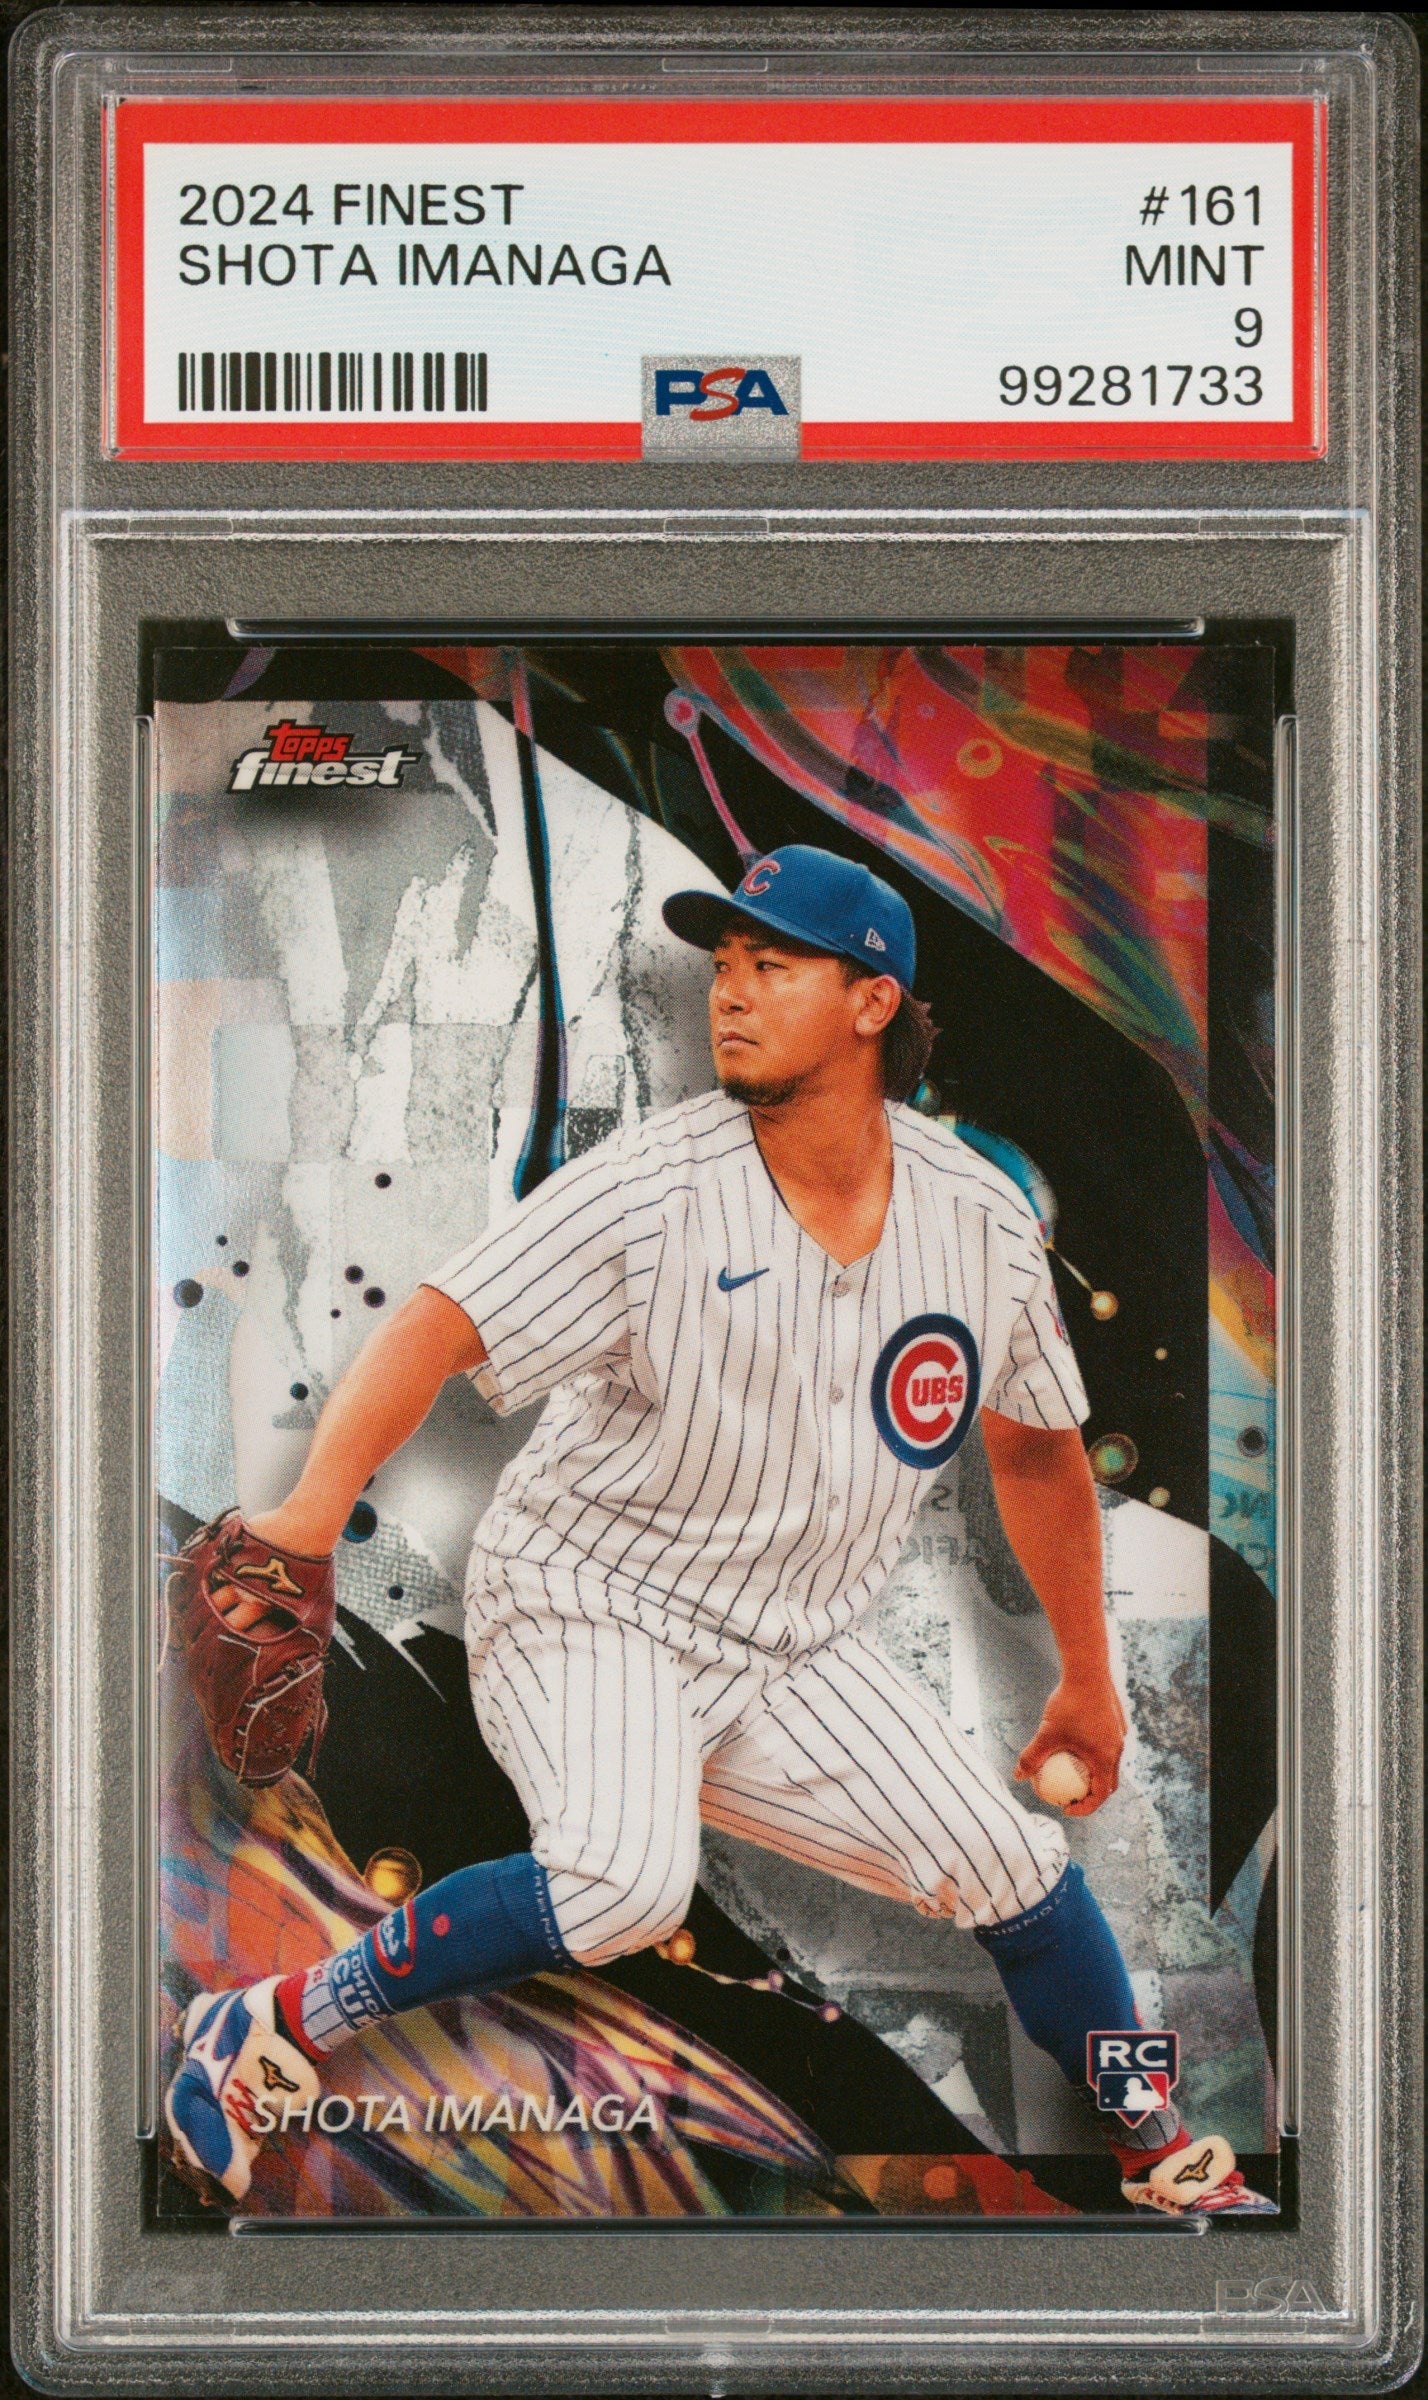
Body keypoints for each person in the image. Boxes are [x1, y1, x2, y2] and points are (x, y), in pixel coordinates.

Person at [166, 843, 1271, 2217]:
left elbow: (1036, 1448)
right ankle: (272, 2020)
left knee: (1012, 1865)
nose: (730, 991)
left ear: (872, 1002)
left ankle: (1153, 2140)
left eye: (774, 964)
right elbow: (439, 1326)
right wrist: (309, 1517)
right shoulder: (658, 1186)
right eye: (725, 963)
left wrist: (1090, 1680)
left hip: (793, 1644)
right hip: (586, 1600)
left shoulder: (977, 1219)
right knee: (622, 1881)